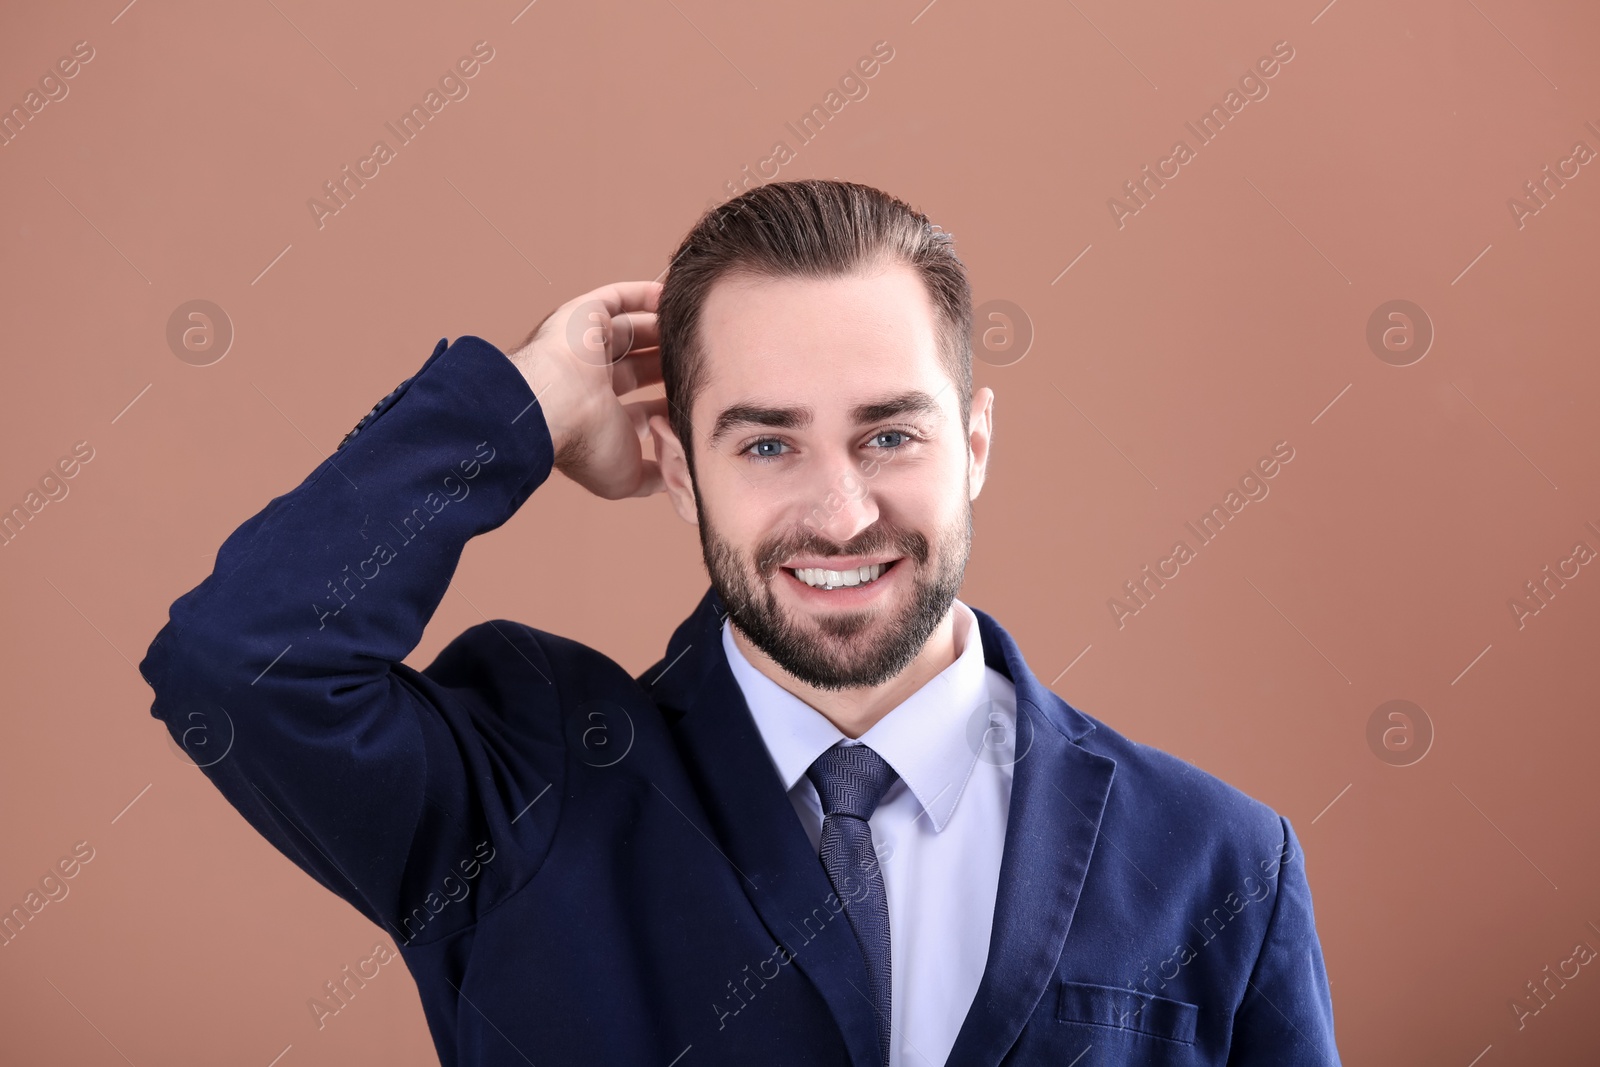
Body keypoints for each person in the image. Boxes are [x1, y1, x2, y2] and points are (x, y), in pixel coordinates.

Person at [139, 179, 1340, 1066]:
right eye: (766, 441)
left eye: (890, 433)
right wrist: (522, 400)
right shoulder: (524, 792)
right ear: (674, 465)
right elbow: (238, 664)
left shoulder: (1216, 860)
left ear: (973, 444)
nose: (840, 509)